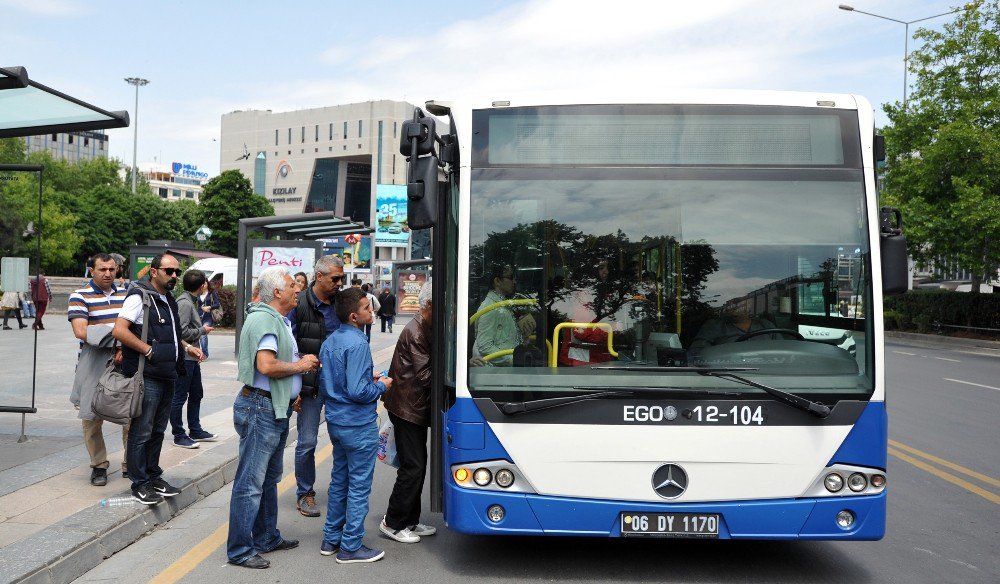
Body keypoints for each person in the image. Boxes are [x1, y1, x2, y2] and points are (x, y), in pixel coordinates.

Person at [228, 266, 318, 569]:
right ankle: (240, 549)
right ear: (277, 292)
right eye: (292, 286)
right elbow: (266, 366)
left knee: (267, 480)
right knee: (251, 483)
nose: (297, 290)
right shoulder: (265, 319)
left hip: (270, 406)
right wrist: (302, 366)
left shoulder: (274, 319)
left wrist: (289, 395)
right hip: (260, 408)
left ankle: (266, 536)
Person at [113, 253, 204, 505]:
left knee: (157, 431)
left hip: (168, 374)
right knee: (141, 431)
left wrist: (186, 347)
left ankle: (154, 476)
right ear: (154, 272)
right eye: (169, 271)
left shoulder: (169, 299)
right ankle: (139, 482)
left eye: (177, 271)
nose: (174, 275)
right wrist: (148, 350)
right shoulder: (139, 297)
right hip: (147, 375)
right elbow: (119, 330)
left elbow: (173, 333)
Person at [318, 286, 392, 563]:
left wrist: (366, 377)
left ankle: (331, 539)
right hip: (358, 424)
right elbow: (359, 392)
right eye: (366, 308)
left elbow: (338, 381)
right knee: (359, 486)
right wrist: (381, 386)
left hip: (336, 421)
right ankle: (350, 547)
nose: (371, 311)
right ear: (353, 316)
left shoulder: (331, 340)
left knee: (340, 481)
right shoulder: (359, 342)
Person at [288, 255, 344, 518]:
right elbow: (288, 347)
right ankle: (305, 493)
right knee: (307, 442)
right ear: (319, 276)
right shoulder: (298, 304)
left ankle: (341, 491)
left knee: (343, 440)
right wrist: (295, 387)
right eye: (335, 278)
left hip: (337, 387)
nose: (339, 283)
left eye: (341, 278)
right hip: (309, 388)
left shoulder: (341, 304)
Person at [379, 282, 435, 544]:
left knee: (417, 465)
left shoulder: (424, 326)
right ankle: (393, 522)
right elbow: (425, 376)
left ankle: (410, 520)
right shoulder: (415, 332)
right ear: (429, 305)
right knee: (413, 467)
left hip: (412, 406)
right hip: (407, 408)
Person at [68, 253, 130, 486]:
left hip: (125, 362)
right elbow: (81, 331)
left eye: (112, 269)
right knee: (91, 417)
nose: (108, 274)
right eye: (102, 269)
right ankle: (99, 465)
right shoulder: (79, 296)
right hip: (93, 363)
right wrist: (121, 336)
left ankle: (130, 463)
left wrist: (120, 339)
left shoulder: (127, 294)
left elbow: (140, 324)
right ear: (91, 270)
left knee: (132, 414)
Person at [170, 269, 217, 449]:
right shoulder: (185, 303)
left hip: (192, 357)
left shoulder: (191, 301)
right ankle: (178, 434)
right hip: (184, 358)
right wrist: (202, 331)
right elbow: (179, 332)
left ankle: (195, 429)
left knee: (197, 393)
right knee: (179, 396)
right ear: (202, 285)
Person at [472, 264, 535, 366]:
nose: (514, 282)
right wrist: (513, 359)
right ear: (497, 281)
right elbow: (484, 346)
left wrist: (524, 337)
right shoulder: (491, 308)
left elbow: (503, 341)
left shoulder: (502, 306)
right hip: (497, 374)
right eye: (511, 278)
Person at [688, 308, 779, 358]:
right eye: (733, 305)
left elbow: (784, 349)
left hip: (768, 374)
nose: (736, 308)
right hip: (728, 376)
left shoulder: (765, 324)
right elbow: (696, 354)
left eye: (741, 304)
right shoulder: (714, 325)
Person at [199, 274, 223, 358]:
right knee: (197, 334)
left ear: (207, 284)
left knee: (203, 334)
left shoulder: (212, 293)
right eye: (201, 284)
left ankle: (205, 354)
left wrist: (209, 307)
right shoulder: (197, 292)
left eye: (204, 283)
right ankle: (197, 352)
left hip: (208, 317)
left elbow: (217, 304)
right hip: (198, 317)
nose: (203, 286)